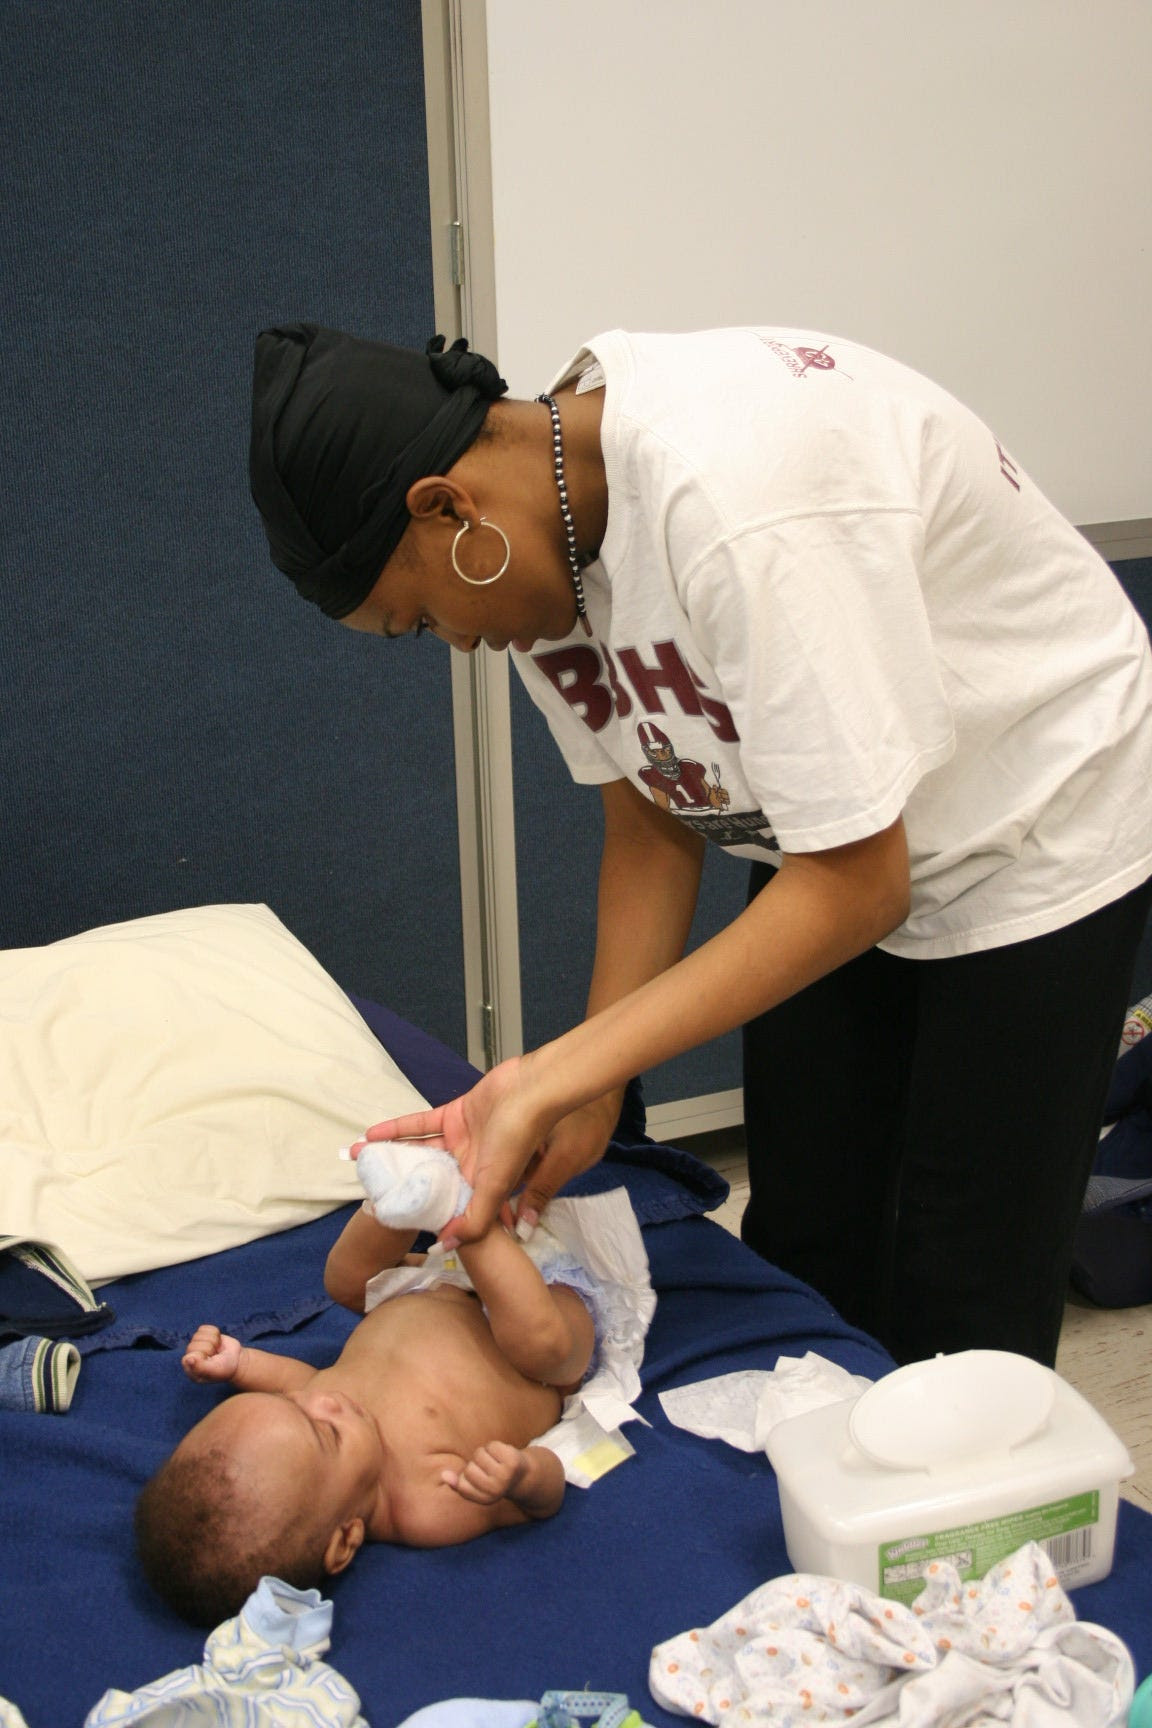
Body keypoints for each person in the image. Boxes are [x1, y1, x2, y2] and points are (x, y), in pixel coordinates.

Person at [249, 321, 1152, 1370]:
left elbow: (862, 883)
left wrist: (544, 1075)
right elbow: (652, 815)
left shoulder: (736, 509)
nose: (454, 644)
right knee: (810, 1228)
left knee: (963, 1278)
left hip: (1032, 811)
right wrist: (586, 1089)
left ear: (446, 508)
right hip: (829, 835)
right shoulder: (540, 545)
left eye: (420, 620)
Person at [134, 1205, 595, 1626]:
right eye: (326, 1432)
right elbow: (545, 1496)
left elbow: (300, 1384)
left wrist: (239, 1364)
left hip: (439, 1282)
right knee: (541, 1343)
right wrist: (523, 1475)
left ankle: (397, 1198)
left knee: (346, 1280)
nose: (324, 1399)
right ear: (345, 1541)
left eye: (289, 1404)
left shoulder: (317, 1415)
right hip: (545, 1335)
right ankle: (467, 1217)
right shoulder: (427, 1506)